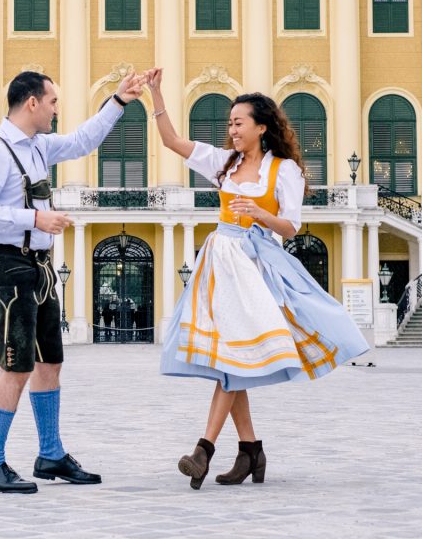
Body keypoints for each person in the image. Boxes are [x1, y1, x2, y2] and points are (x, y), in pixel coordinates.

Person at [146, 69, 369, 489]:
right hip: (219, 262)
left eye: (238, 122)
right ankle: (250, 451)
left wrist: (260, 214)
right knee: (231, 360)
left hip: (254, 266)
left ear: (261, 127)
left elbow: (291, 228)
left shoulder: (284, 171)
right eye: (229, 123)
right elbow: (172, 142)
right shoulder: (223, 162)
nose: (231, 129)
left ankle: (204, 450)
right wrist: (156, 95)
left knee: (231, 359)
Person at [0, 70, 145, 494]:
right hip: (4, 268)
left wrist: (118, 101)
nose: (56, 109)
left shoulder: (39, 147)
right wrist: (34, 218)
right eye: (53, 102)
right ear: (31, 103)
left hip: (38, 268)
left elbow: (84, 140)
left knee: (50, 362)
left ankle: (50, 454)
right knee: (17, 366)